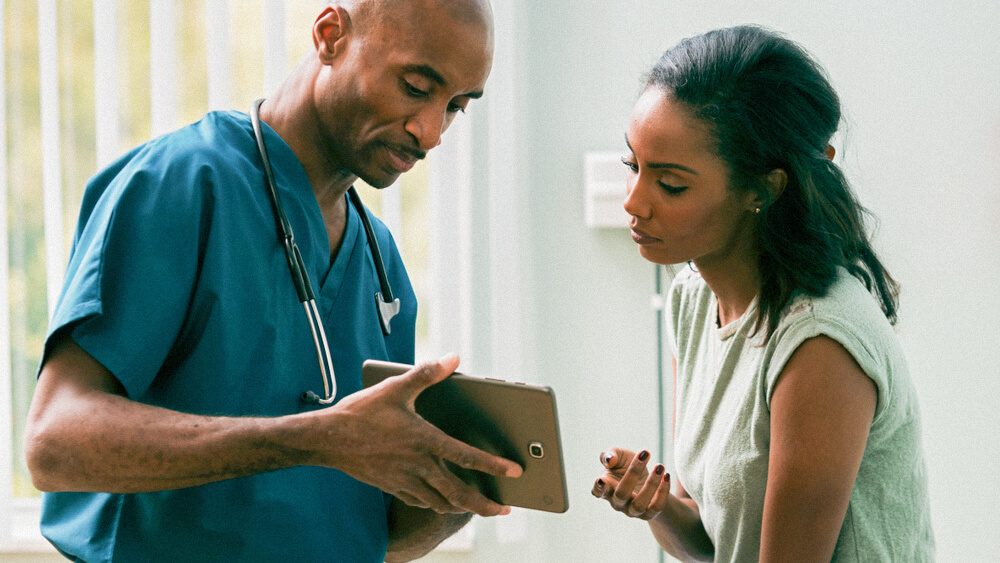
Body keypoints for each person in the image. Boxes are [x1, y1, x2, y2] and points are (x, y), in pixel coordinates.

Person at [23, 1, 523, 562]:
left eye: (456, 107)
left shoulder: (381, 264)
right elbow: (55, 444)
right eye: (414, 87)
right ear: (331, 35)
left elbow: (363, 535)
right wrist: (316, 438)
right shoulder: (183, 185)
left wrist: (459, 488)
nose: (430, 132)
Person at [592, 26, 934, 562]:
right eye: (633, 167)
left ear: (762, 189)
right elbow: (715, 546)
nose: (634, 202)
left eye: (671, 183)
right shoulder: (693, 298)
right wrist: (657, 506)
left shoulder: (820, 343)